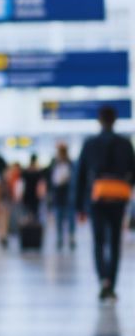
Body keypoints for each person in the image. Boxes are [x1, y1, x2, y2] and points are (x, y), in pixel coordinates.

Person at [74, 105, 135, 303]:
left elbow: (80, 175)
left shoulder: (90, 144)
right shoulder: (125, 144)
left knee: (99, 241)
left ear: (100, 121)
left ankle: (103, 281)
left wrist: (79, 206)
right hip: (118, 198)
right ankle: (112, 284)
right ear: (115, 120)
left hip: (96, 199)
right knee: (115, 242)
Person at [46, 142, 76, 251]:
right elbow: (50, 179)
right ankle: (60, 238)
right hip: (58, 196)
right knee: (58, 219)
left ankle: (71, 237)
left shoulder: (71, 164)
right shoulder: (54, 164)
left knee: (71, 219)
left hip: (69, 196)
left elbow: (75, 179)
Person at [20, 154, 44, 224]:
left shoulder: (26, 171)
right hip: (35, 194)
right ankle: (33, 228)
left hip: (27, 193)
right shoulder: (38, 171)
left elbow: (21, 184)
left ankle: (28, 228)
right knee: (35, 213)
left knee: (27, 212)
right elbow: (41, 184)